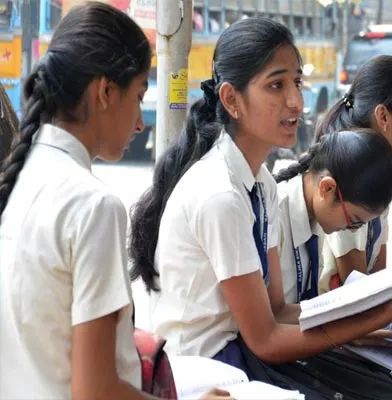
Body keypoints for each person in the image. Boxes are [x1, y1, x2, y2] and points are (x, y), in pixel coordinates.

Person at [128, 17, 392, 376]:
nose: (295, 101)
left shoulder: (261, 184)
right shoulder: (220, 195)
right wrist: (380, 315)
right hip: (206, 372)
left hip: (242, 359)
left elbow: (280, 311)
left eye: (297, 82)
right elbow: (267, 340)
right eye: (276, 85)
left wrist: (369, 308)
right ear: (231, 99)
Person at [0, 3, 225, 399]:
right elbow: (97, 390)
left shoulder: (19, 177)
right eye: (139, 95)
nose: (140, 122)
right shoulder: (93, 206)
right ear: (105, 92)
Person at [313, 55, 392, 292]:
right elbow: (360, 296)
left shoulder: (379, 173)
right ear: (383, 116)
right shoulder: (350, 175)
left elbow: (378, 279)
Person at [274, 129, 392, 304]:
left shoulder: (317, 216)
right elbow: (269, 319)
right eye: (353, 222)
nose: (353, 232)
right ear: (327, 188)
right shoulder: (274, 219)